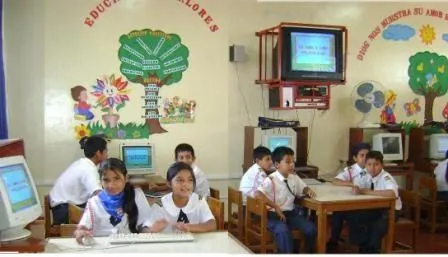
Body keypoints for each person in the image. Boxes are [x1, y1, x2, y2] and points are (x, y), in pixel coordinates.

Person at [74, 158, 162, 244]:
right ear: (100, 181)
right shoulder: (94, 202)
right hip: (102, 250)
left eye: (117, 178)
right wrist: (80, 232)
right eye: (106, 180)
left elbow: (144, 224)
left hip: (131, 249)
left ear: (126, 178)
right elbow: (83, 227)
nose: (111, 185)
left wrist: (150, 230)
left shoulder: (137, 195)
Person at [255, 146, 316, 253]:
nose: (292, 164)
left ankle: (307, 252)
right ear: (277, 165)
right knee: (283, 231)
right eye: (287, 162)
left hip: (291, 214)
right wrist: (275, 207)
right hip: (273, 216)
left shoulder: (293, 177)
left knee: (311, 229)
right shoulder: (271, 179)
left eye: (293, 161)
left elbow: (303, 187)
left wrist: (308, 190)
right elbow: (258, 194)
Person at [49, 136, 108, 225]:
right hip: (64, 211)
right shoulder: (89, 169)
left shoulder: (82, 163)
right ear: (98, 153)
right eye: (106, 151)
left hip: (60, 207)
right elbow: (98, 194)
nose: (108, 154)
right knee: (105, 215)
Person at [352, 151, 403, 253]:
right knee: (357, 217)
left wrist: (367, 191)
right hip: (376, 208)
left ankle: (373, 251)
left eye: (376, 164)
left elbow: (392, 193)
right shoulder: (366, 174)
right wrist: (356, 187)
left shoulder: (386, 177)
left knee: (377, 227)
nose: (372, 167)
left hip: (391, 210)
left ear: (381, 165)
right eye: (369, 164)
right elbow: (357, 184)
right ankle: (363, 247)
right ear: (365, 165)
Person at [327, 143, 371, 251]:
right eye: (362, 155)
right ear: (355, 158)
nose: (365, 158)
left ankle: (360, 244)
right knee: (338, 212)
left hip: (369, 204)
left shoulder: (373, 167)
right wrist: (352, 184)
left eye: (367, 155)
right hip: (354, 203)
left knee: (356, 215)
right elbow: (335, 181)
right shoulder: (351, 170)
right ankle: (334, 241)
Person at [153, 162, 216, 233]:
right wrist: (152, 230)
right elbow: (146, 229)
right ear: (169, 184)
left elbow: (212, 224)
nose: (185, 184)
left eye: (190, 180)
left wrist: (189, 227)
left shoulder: (199, 200)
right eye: (180, 180)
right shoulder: (160, 205)